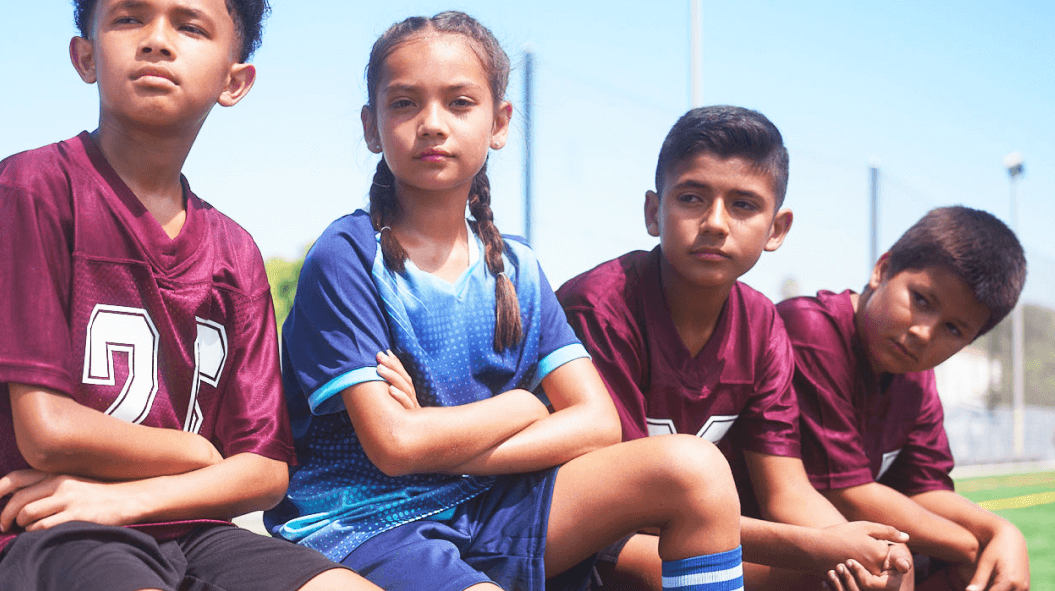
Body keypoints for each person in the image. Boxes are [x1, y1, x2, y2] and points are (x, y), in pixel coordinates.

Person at [266, 12, 744, 591]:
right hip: (370, 522)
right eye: (404, 104)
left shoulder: (516, 267)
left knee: (695, 467)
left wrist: (442, 440)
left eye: (460, 103)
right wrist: (519, 408)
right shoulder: (346, 256)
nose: (432, 124)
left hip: (492, 503)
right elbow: (394, 446)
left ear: (499, 122)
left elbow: (596, 424)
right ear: (372, 127)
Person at [0, 1, 379, 590]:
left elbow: (264, 469)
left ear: (234, 80)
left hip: (189, 527)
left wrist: (129, 500)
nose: (157, 40)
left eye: (189, 25)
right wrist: (193, 451)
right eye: (129, 18)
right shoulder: (31, 189)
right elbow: (48, 432)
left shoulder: (235, 253)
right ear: (85, 56)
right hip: (47, 528)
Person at [557, 105, 912, 591]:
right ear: (652, 213)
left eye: (743, 205)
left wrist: (856, 546)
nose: (716, 223)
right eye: (692, 198)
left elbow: (786, 489)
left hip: (690, 530)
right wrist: (817, 547)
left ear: (777, 229)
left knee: (868, 577)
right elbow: (626, 508)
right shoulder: (601, 307)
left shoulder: (764, 323)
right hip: (589, 540)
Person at [783, 206, 1032, 591]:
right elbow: (845, 493)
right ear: (882, 270)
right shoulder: (810, 330)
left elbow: (924, 489)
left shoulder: (916, 379)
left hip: (829, 540)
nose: (923, 332)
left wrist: (1001, 532)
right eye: (921, 300)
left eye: (952, 328)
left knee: (988, 562)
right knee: (886, 564)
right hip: (754, 542)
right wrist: (970, 542)